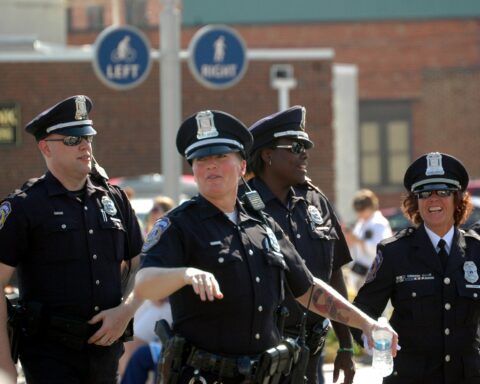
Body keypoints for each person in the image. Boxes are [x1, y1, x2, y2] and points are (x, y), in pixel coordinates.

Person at [134, 109, 397, 384]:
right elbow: (144, 283)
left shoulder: (263, 225)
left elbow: (309, 290)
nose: (211, 165)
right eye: (201, 159)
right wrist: (184, 274)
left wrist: (367, 324)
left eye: (221, 156)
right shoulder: (179, 225)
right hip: (205, 376)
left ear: (242, 166)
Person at [0, 95, 144, 384]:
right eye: (72, 139)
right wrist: (4, 370)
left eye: (87, 137)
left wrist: (127, 310)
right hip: (49, 358)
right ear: (45, 147)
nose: (84, 145)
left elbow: (143, 265)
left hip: (105, 353)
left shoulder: (114, 199)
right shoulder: (25, 206)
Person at [246, 106, 355, 384]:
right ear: (268, 155)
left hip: (311, 353)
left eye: (305, 146)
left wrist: (345, 345)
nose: (304, 153)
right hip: (261, 355)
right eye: (295, 147)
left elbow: (334, 275)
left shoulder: (316, 201)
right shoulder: (242, 206)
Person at [352, 152, 480, 383]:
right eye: (423, 193)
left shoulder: (476, 251)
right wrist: (373, 335)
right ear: (415, 202)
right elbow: (362, 311)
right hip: (410, 377)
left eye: (442, 192)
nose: (433, 199)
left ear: (458, 198)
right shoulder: (394, 252)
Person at [119, 195, 175, 381]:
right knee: (125, 340)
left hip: (165, 304)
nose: (154, 213)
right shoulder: (147, 236)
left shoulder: (172, 238)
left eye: (159, 209)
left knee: (130, 343)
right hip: (148, 300)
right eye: (153, 209)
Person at [344, 189, 393, 292]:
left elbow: (382, 248)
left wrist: (359, 241)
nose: (359, 214)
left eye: (362, 210)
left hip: (375, 272)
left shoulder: (379, 223)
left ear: (370, 208)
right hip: (359, 271)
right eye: (358, 211)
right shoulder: (361, 223)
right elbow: (355, 246)